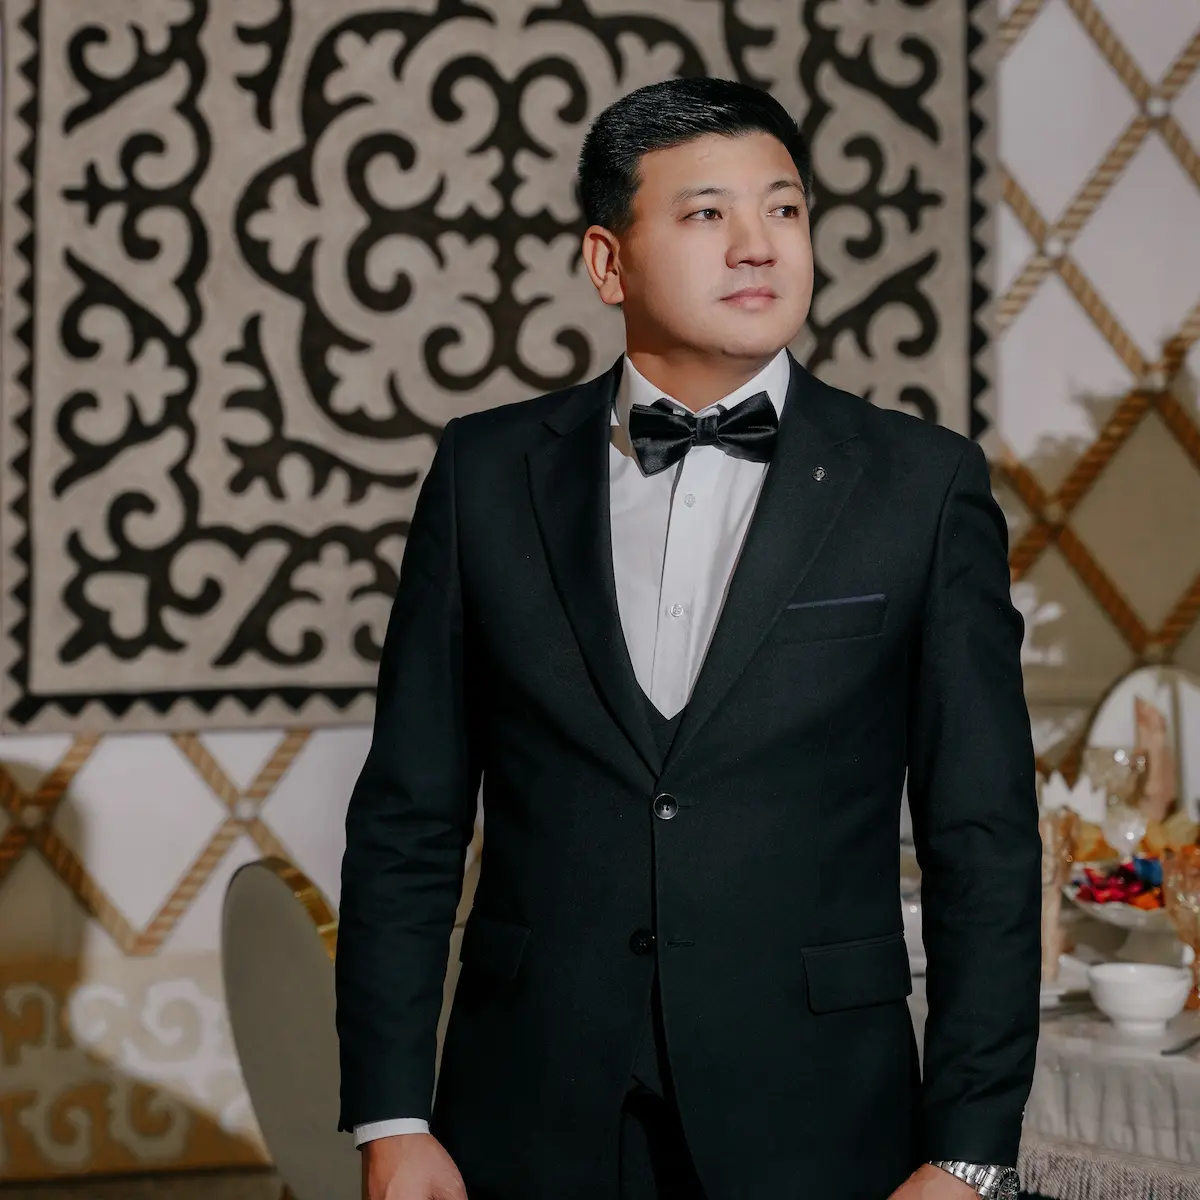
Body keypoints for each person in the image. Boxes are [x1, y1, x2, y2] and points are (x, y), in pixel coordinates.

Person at [335, 76, 1041, 1200]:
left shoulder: (923, 486)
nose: (759, 245)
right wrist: (390, 1117)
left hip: (821, 1117)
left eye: (785, 209)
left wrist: (969, 1152)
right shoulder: (483, 473)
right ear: (608, 261)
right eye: (708, 213)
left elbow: (984, 840)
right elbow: (407, 820)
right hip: (525, 1110)